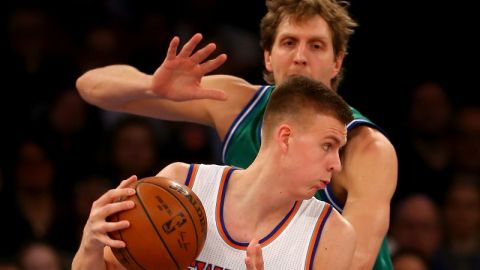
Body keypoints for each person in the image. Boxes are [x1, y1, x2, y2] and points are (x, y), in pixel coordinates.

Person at [76, 0, 398, 268]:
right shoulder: (233, 104)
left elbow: (356, 261)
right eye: (288, 42)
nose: (300, 56)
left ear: (337, 62)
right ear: (268, 57)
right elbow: (90, 87)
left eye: (316, 45)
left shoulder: (365, 148)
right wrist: (150, 86)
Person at [72, 76, 356, 270]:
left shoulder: (331, 235)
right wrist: (91, 245)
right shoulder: (182, 183)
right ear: (285, 137)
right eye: (327, 146)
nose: (337, 164)